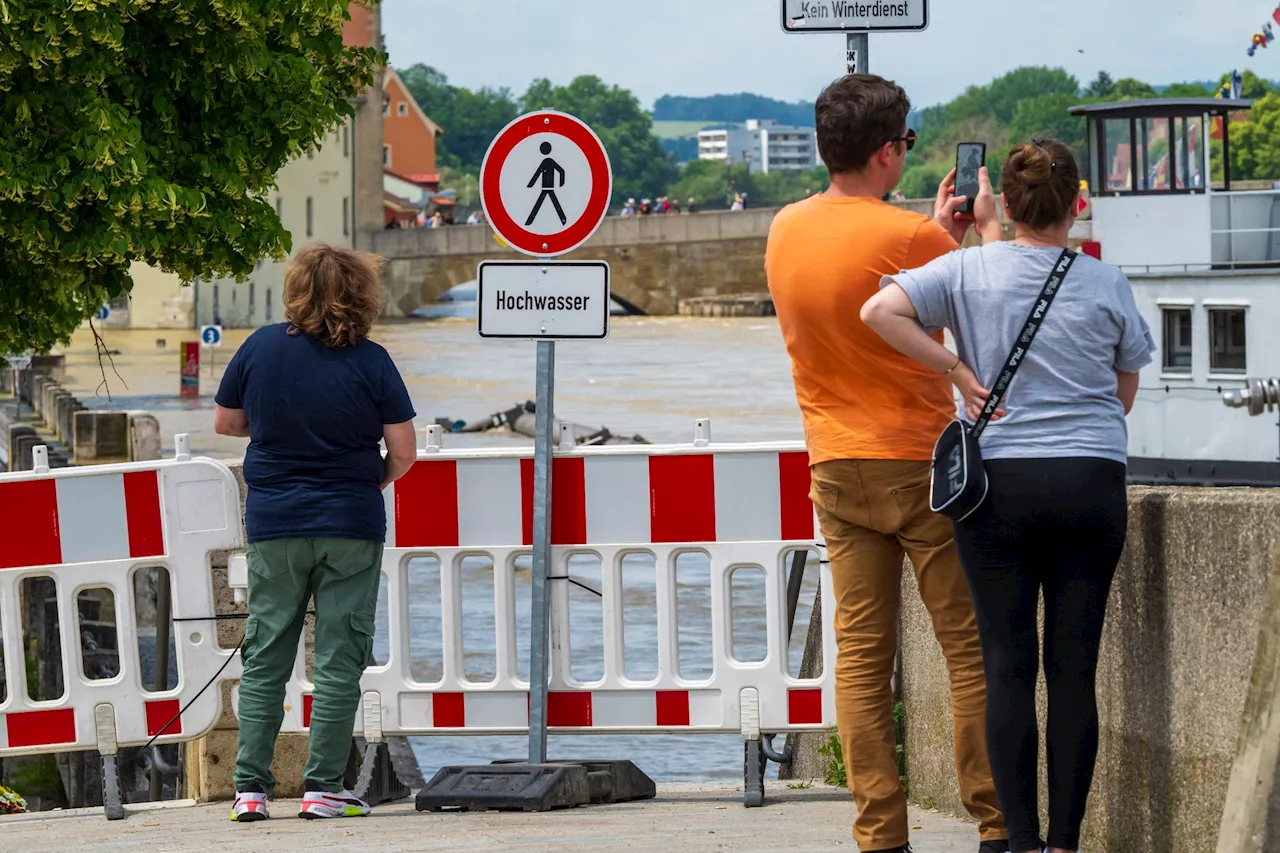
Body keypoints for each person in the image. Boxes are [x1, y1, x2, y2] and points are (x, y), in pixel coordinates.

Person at [862, 140, 1155, 853]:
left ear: (1004, 204)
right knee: (1074, 668)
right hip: (1090, 481)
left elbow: (879, 312)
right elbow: (1124, 388)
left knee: (1006, 664)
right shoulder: (1104, 282)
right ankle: (1065, 843)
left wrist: (956, 367)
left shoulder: (965, 268)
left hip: (999, 486)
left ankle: (1018, 839)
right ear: (1076, 205)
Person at [765, 73, 1008, 853]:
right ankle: (996, 823)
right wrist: (965, 231)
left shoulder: (783, 228)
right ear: (885, 151)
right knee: (966, 648)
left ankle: (881, 835)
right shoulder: (911, 238)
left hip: (835, 464)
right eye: (904, 142)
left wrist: (933, 233)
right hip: (920, 464)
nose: (905, 153)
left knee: (862, 657)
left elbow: (876, 282)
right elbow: (978, 297)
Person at [214, 244, 418, 822]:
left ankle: (250, 790)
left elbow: (227, 422)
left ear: (294, 289)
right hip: (350, 522)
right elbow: (404, 452)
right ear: (361, 294)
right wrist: (367, 481)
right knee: (337, 657)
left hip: (276, 522)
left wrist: (282, 422)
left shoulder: (258, 348)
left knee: (267, 653)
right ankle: (322, 788)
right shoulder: (373, 360)